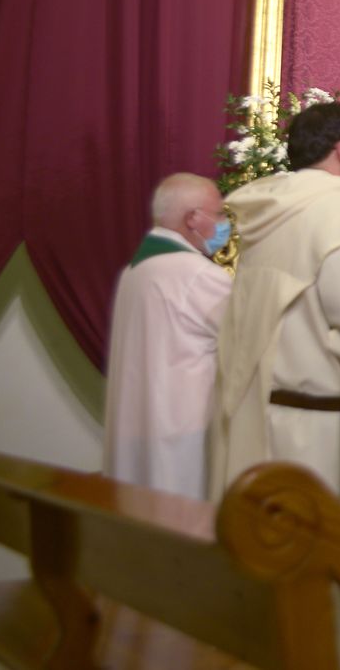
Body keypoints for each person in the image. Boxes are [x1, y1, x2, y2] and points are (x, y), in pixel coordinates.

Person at [209, 101, 340, 670]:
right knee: (332, 590)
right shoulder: (338, 217)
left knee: (277, 584)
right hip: (325, 433)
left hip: (268, 416)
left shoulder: (270, 213)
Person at [102, 173, 231, 499]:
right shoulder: (196, 274)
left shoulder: (135, 270)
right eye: (219, 214)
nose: (225, 223)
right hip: (180, 437)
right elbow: (250, 339)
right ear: (193, 218)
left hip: (136, 428)